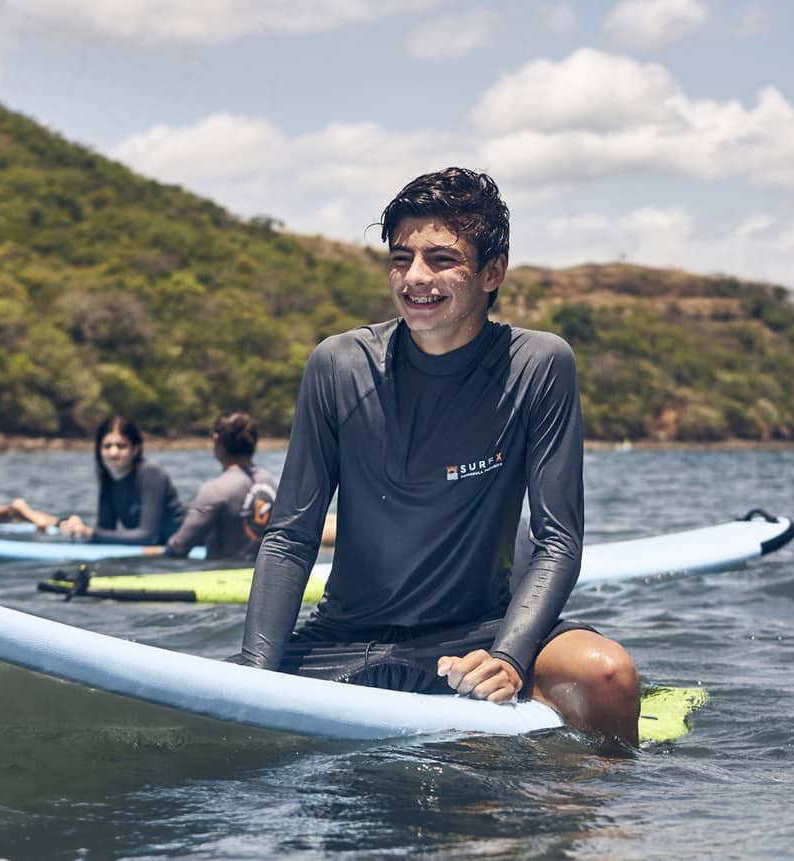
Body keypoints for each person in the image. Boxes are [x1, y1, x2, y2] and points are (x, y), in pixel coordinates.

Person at [234, 167, 639, 745]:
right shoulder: (339, 365)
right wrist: (254, 676)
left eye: (442, 259)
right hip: (347, 637)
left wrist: (508, 658)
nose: (415, 277)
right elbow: (291, 537)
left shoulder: (538, 365)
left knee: (607, 674)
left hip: (480, 635)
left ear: (492, 272)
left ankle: (584, 799)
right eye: (401, 259)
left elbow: (557, 539)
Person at [163, 411, 280, 561]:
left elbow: (178, 547)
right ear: (254, 442)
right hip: (264, 571)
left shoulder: (215, 490)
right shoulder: (274, 484)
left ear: (217, 440)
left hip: (223, 572)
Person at [58, 415, 186, 545]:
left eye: (121, 446)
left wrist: (89, 532)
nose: (113, 452)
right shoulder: (107, 479)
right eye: (107, 446)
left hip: (186, 545)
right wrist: (76, 528)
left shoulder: (151, 473)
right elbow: (105, 530)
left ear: (135, 449)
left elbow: (148, 536)